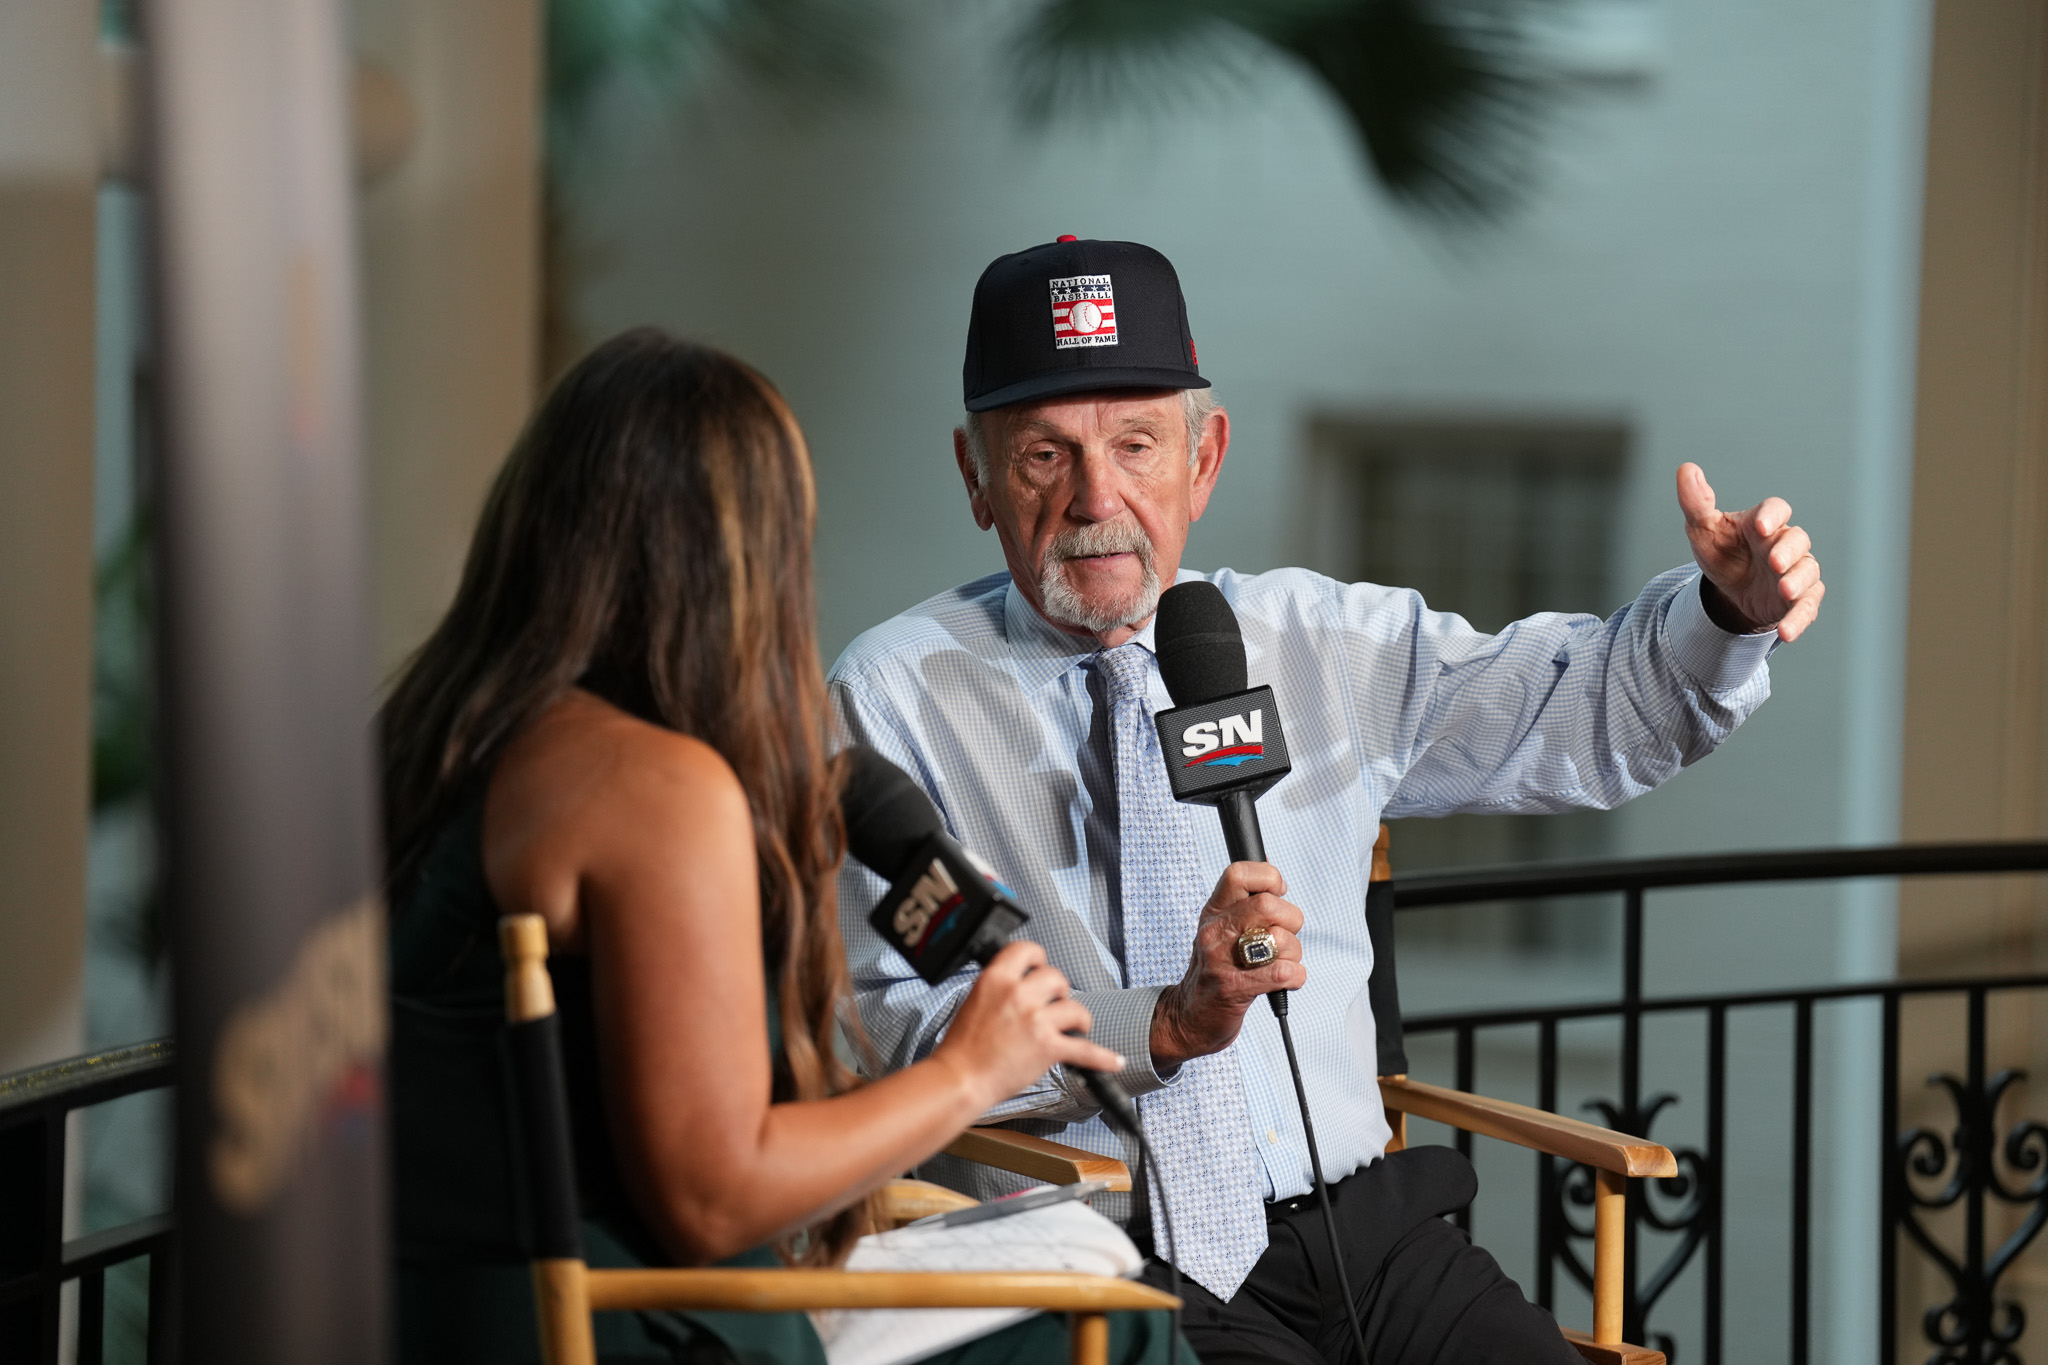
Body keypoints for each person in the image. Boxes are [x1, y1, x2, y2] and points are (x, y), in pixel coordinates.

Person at [829, 238, 1825, 1364]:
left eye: (1135, 444)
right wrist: (1155, 1024)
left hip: (1370, 1234)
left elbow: (1581, 715)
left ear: (1203, 461)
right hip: (1103, 1261)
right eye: (1043, 456)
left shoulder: (1316, 641)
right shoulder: (891, 698)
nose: (1094, 498)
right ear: (974, 476)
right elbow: (885, 1033)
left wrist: (1722, 615)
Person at [383, 329, 1193, 1365]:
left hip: (435, 1316)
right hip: (629, 1327)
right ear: (738, 559)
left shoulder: (451, 739)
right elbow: (713, 1198)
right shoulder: (656, 792)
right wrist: (971, 1071)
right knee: (1130, 1335)